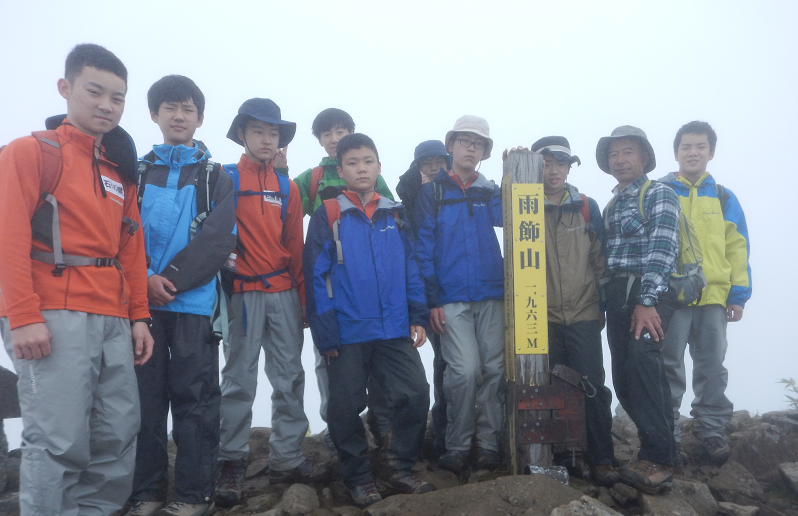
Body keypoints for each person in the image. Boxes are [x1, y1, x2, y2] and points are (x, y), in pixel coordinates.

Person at [0, 43, 153, 516]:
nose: (106, 105)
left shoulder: (119, 173)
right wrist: (22, 316)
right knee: (58, 438)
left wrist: (140, 317)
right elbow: (7, 235)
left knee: (116, 435)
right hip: (53, 314)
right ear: (65, 88)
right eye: (95, 91)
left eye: (118, 97)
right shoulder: (30, 152)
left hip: (113, 318)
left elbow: (131, 247)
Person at [127, 75, 236, 516]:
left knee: (195, 401)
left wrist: (163, 279)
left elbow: (217, 242)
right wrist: (144, 280)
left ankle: (194, 496)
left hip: (193, 307)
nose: (178, 115)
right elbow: (121, 233)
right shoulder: (135, 171)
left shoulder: (215, 177)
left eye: (187, 109)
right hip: (140, 308)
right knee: (145, 403)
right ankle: (148, 493)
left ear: (200, 118)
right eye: (169, 108)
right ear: (154, 115)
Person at [304, 133, 433, 507]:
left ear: (379, 167)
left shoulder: (395, 213)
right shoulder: (329, 215)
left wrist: (417, 315)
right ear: (340, 169)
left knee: (414, 393)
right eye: (353, 163)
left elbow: (410, 268)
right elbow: (316, 275)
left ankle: (397, 466)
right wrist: (325, 332)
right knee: (344, 406)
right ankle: (358, 476)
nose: (361, 168)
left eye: (368, 161)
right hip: (346, 330)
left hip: (393, 327)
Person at [215, 99, 328, 507]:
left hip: (282, 292)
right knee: (239, 379)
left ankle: (287, 456)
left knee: (289, 377)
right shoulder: (223, 178)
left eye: (274, 133)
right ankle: (230, 460)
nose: (267, 140)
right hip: (242, 293)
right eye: (259, 131)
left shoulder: (288, 188)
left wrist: (302, 301)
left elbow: (295, 249)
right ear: (242, 134)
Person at [293, 108, 393, 449]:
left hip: (369, 285)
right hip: (333, 282)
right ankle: (335, 427)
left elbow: (393, 216)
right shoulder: (314, 177)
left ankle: (381, 423)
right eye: (327, 134)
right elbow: (288, 210)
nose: (334, 139)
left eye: (341, 131)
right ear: (319, 141)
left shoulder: (373, 177)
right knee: (329, 363)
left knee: (375, 363)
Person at [415, 116, 505, 474]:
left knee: (495, 370)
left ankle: (488, 444)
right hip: (450, 298)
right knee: (465, 371)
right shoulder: (431, 193)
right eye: (464, 141)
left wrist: (515, 174)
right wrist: (431, 301)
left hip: (492, 294)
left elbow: (512, 218)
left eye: (478, 143)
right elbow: (422, 248)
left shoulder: (490, 191)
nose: (471, 148)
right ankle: (456, 444)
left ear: (484, 152)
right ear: (450, 146)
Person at [659, 121, 751, 465]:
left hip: (714, 298)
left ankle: (711, 429)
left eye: (700, 146)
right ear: (676, 153)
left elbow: (737, 247)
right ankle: (666, 430)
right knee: (667, 364)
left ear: (711, 152)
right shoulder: (662, 191)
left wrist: (738, 295)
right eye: (686, 147)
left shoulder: (724, 196)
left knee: (712, 365)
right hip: (673, 297)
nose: (693, 152)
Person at [528, 136, 617, 486]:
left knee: (592, 385)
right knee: (550, 386)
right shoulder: (524, 205)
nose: (553, 171)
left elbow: (599, 260)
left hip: (583, 312)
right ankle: (563, 456)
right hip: (542, 315)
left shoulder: (585, 206)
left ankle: (602, 458)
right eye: (546, 163)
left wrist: (602, 308)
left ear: (569, 167)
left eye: (560, 164)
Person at [596, 125, 680, 494]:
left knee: (645, 368)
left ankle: (660, 458)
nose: (620, 159)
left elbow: (662, 249)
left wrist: (647, 301)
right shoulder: (613, 203)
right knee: (626, 378)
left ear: (643, 157)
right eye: (614, 154)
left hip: (647, 293)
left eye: (628, 151)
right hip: (618, 295)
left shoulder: (658, 193)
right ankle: (659, 449)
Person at [395, 140, 451, 459]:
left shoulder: (455, 191)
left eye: (439, 161)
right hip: (422, 295)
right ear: (416, 167)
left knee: (453, 365)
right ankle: (430, 440)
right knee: (434, 368)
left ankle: (448, 434)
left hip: (453, 290)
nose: (433, 167)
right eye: (426, 162)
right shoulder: (404, 195)